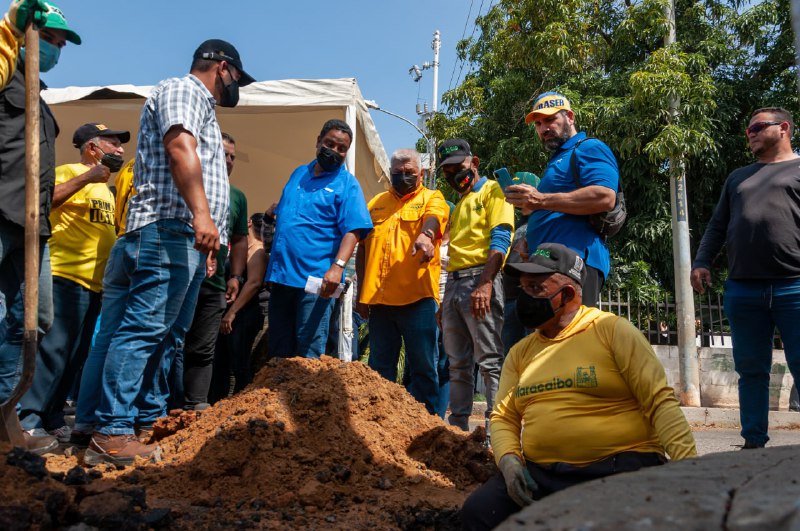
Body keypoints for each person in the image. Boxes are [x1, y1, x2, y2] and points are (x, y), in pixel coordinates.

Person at [80, 39, 254, 466]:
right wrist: (201, 216)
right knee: (143, 331)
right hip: (167, 231)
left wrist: (206, 240)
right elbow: (180, 150)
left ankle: (103, 423)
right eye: (236, 79)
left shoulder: (197, 105)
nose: (236, 88)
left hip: (165, 234)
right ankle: (113, 432)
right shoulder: (184, 91)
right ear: (222, 68)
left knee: (125, 332)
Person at [462, 242, 697, 530]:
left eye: (536, 288)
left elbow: (659, 403)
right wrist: (509, 461)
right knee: (478, 514)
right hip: (542, 474)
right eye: (523, 287)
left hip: (617, 469)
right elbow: (503, 417)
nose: (525, 297)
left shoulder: (611, 331)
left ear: (568, 294)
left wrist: (691, 473)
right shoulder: (521, 352)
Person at [691, 107, 800, 449]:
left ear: (783, 128)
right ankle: (753, 442)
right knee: (750, 369)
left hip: (794, 285)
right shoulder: (738, 177)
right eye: (748, 129)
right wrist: (701, 261)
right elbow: (717, 225)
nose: (750, 133)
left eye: (757, 127)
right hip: (743, 287)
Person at [0, 0, 79, 454]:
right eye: (47, 39)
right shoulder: (5, 77)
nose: (54, 49)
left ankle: (4, 408)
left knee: (35, 317)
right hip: (1, 212)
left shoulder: (40, 95)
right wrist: (10, 29)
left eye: (60, 45)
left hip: (34, 225)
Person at [18, 123, 127, 443]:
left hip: (96, 285)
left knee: (76, 355)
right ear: (92, 148)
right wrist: (86, 178)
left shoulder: (109, 189)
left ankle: (52, 415)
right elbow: (43, 200)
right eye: (113, 143)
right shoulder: (67, 171)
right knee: (54, 350)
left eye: (121, 145)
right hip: (65, 275)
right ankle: (28, 417)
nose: (120, 150)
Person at [266, 119, 372, 359]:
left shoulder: (347, 184)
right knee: (278, 350)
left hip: (316, 282)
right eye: (329, 143)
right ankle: (279, 396)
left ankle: (305, 398)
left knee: (309, 351)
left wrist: (338, 267)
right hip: (282, 277)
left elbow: (353, 230)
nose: (334, 151)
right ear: (318, 142)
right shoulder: (298, 174)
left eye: (341, 148)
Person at [504, 92, 619, 307]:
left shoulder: (588, 148)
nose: (543, 128)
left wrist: (540, 200)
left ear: (570, 117)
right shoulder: (558, 160)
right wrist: (530, 242)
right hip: (545, 264)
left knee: (572, 338)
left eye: (550, 120)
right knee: (548, 338)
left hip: (575, 264)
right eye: (538, 124)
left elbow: (605, 197)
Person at [356, 148, 448, 414]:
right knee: (380, 368)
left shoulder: (433, 198)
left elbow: (434, 218)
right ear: (390, 173)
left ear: (421, 173)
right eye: (399, 173)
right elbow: (362, 249)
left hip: (417, 301)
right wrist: (362, 294)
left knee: (424, 368)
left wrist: (426, 235)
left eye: (410, 173)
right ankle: (380, 422)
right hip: (380, 303)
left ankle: (428, 425)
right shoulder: (375, 204)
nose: (404, 177)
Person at [437, 138, 514, 433]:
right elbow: (452, 255)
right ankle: (458, 430)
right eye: (448, 171)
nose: (454, 175)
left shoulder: (493, 191)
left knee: (490, 361)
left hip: (480, 277)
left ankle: (498, 433)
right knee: (457, 364)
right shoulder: (459, 206)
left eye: (458, 167)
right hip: (455, 285)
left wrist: (486, 284)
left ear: (474, 162)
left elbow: (501, 237)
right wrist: (444, 300)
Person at [175, 131, 248, 411]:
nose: (228, 160)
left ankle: (196, 403)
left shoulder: (238, 197)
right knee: (174, 343)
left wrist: (235, 276)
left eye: (233, 157)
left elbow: (239, 239)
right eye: (223, 154)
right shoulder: (189, 185)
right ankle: (168, 404)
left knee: (204, 348)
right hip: (183, 277)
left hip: (216, 284)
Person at [212, 212, 268, 400]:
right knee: (222, 362)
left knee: (239, 364)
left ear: (249, 223)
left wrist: (232, 312)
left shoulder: (257, 251)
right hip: (231, 313)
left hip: (244, 315)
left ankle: (240, 403)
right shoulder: (243, 248)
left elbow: (254, 283)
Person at [0, 0, 49, 88]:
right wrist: (11, 30)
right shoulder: (14, 87)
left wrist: (11, 30)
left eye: (60, 44)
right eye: (47, 37)